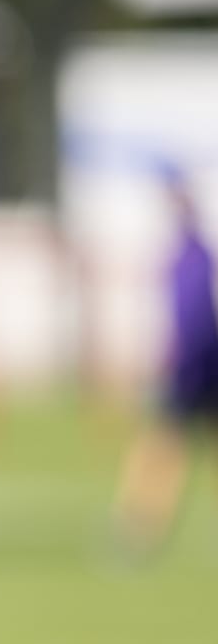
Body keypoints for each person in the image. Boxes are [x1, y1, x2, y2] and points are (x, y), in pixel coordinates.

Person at [112, 171, 218, 558]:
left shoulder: (192, 255)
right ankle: (140, 525)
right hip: (200, 361)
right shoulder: (191, 252)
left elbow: (191, 318)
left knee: (162, 446)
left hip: (195, 365)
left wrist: (177, 359)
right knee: (164, 446)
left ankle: (140, 527)